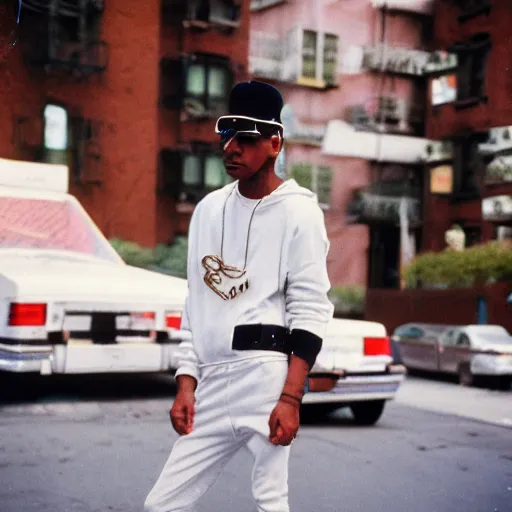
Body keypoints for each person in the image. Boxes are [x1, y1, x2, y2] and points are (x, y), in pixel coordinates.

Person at [144, 80, 334, 512]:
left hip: (265, 375)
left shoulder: (300, 211)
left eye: (245, 140)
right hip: (212, 379)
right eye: (226, 137)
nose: (231, 148)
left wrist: (291, 398)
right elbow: (196, 303)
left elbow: (310, 309)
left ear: (274, 143)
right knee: (161, 505)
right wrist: (185, 383)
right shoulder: (208, 209)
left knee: (270, 502)